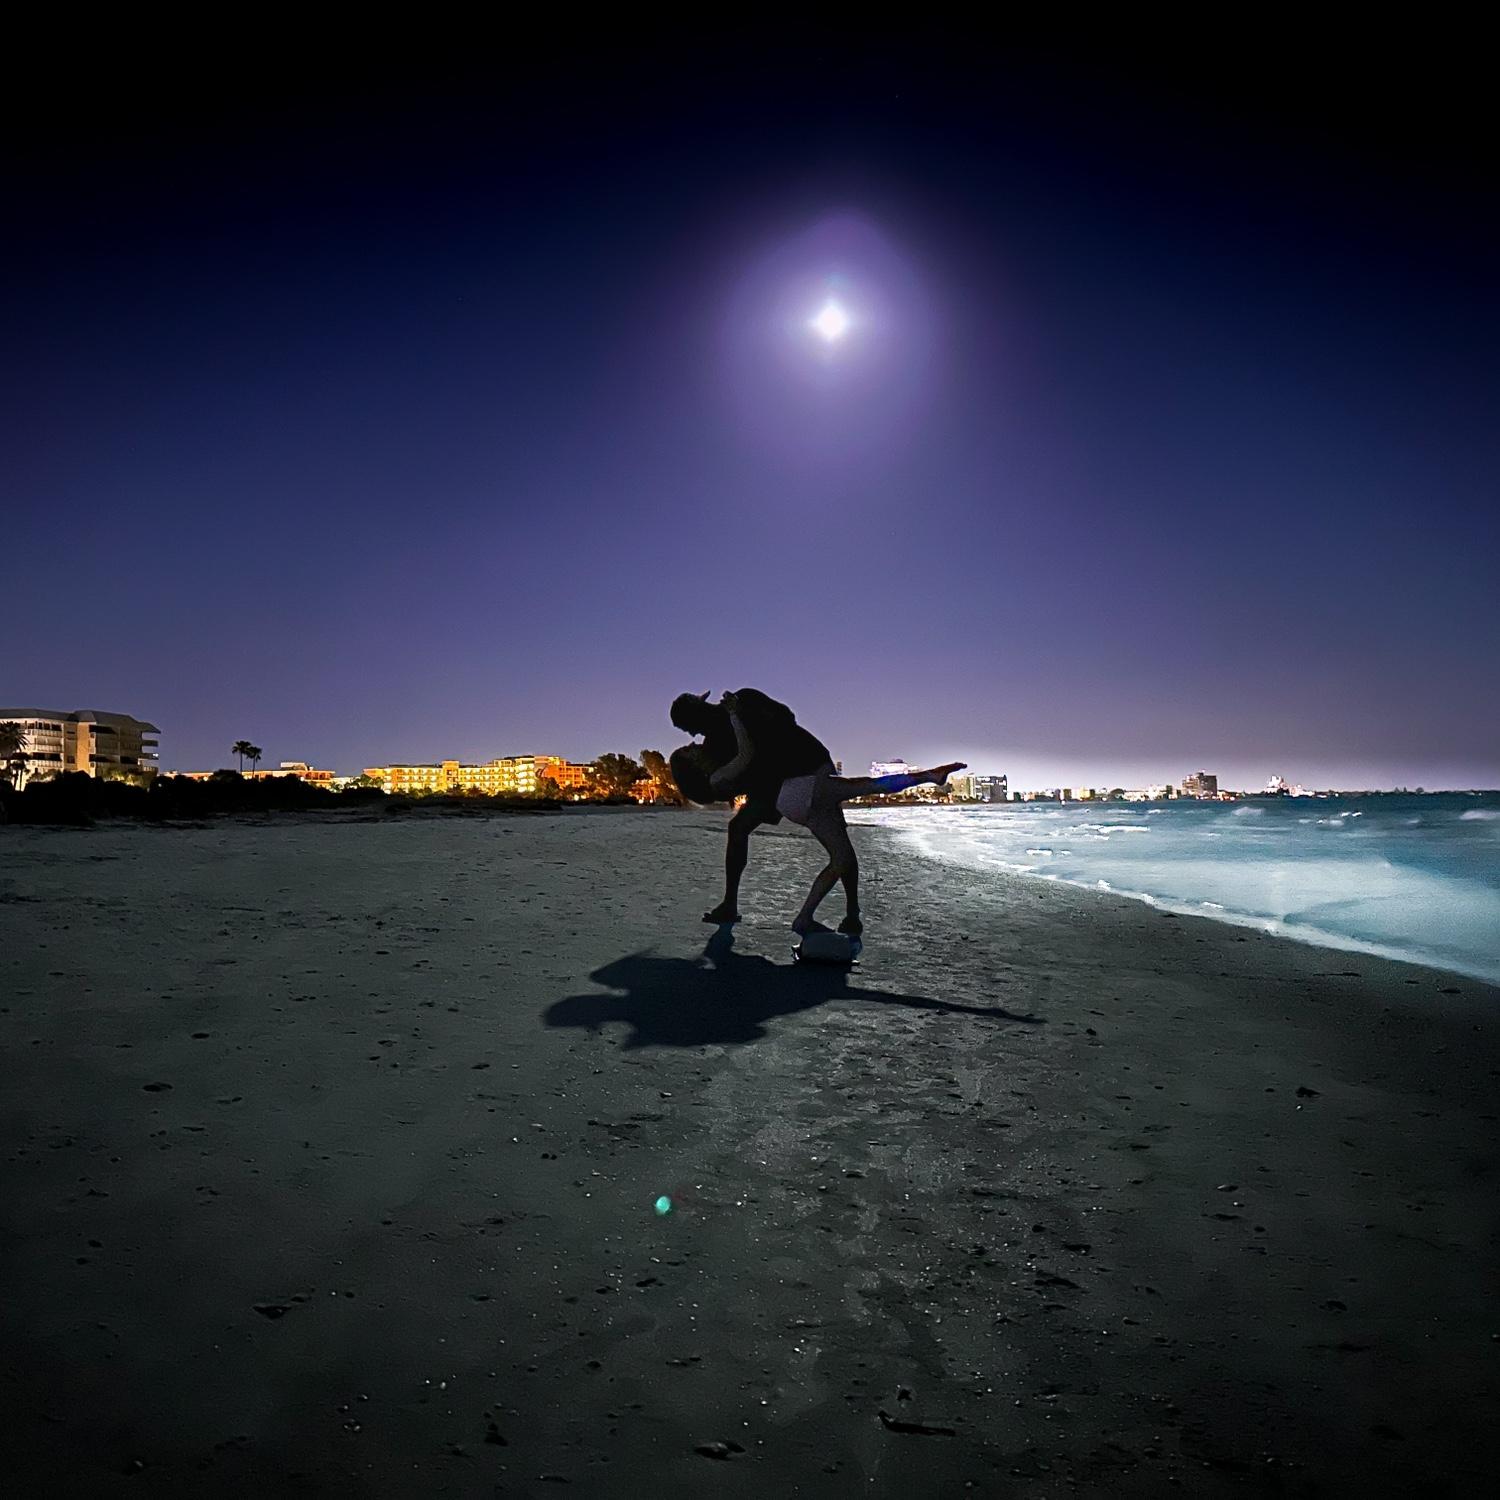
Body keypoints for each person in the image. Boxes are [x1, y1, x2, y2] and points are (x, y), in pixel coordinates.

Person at [669, 688, 964, 937]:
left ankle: (850, 911)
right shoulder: (717, 740)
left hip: (801, 768)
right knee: (745, 828)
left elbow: (785, 718)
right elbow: (735, 772)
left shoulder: (742, 703)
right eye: (690, 729)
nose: (695, 735)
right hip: (781, 785)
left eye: (691, 728)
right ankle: (733, 904)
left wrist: (749, 729)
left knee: (839, 839)